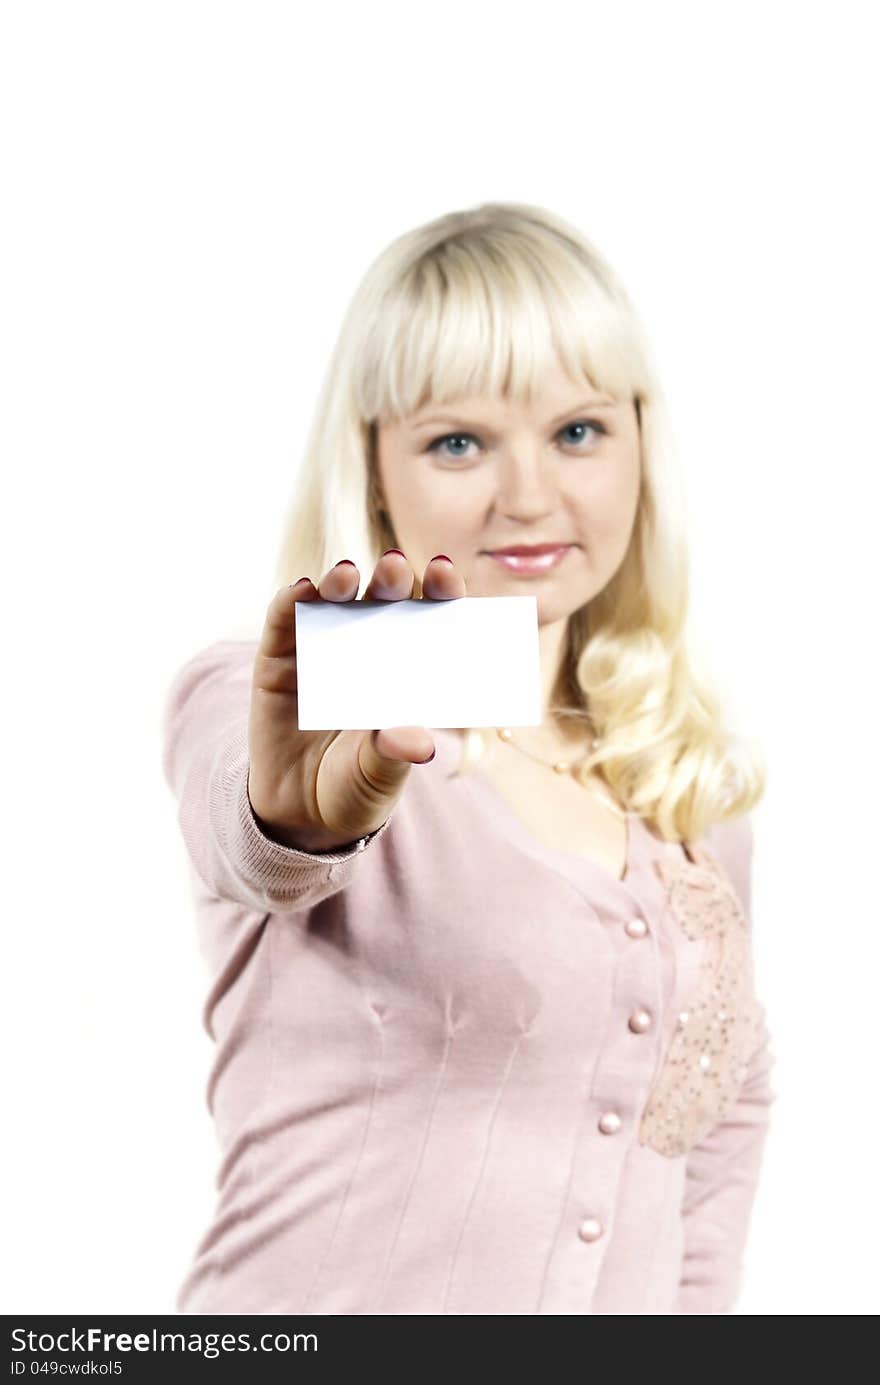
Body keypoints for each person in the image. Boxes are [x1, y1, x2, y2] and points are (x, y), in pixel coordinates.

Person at [162, 200, 776, 1315]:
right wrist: (297, 819)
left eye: (578, 431)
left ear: (641, 440)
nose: (530, 495)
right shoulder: (291, 697)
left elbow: (719, 1129)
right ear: (375, 464)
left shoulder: (685, 781)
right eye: (458, 441)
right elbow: (251, 834)